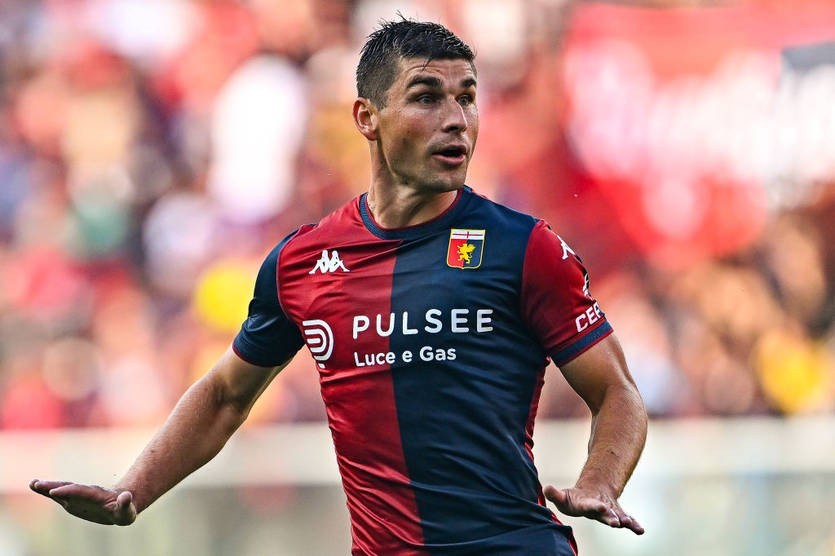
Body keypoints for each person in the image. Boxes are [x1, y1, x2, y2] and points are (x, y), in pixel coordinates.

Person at [31, 18, 647, 555]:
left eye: (467, 98)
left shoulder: (524, 248)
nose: (456, 120)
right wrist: (132, 490)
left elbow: (617, 391)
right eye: (427, 97)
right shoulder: (302, 262)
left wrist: (600, 480)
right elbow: (224, 396)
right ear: (366, 118)